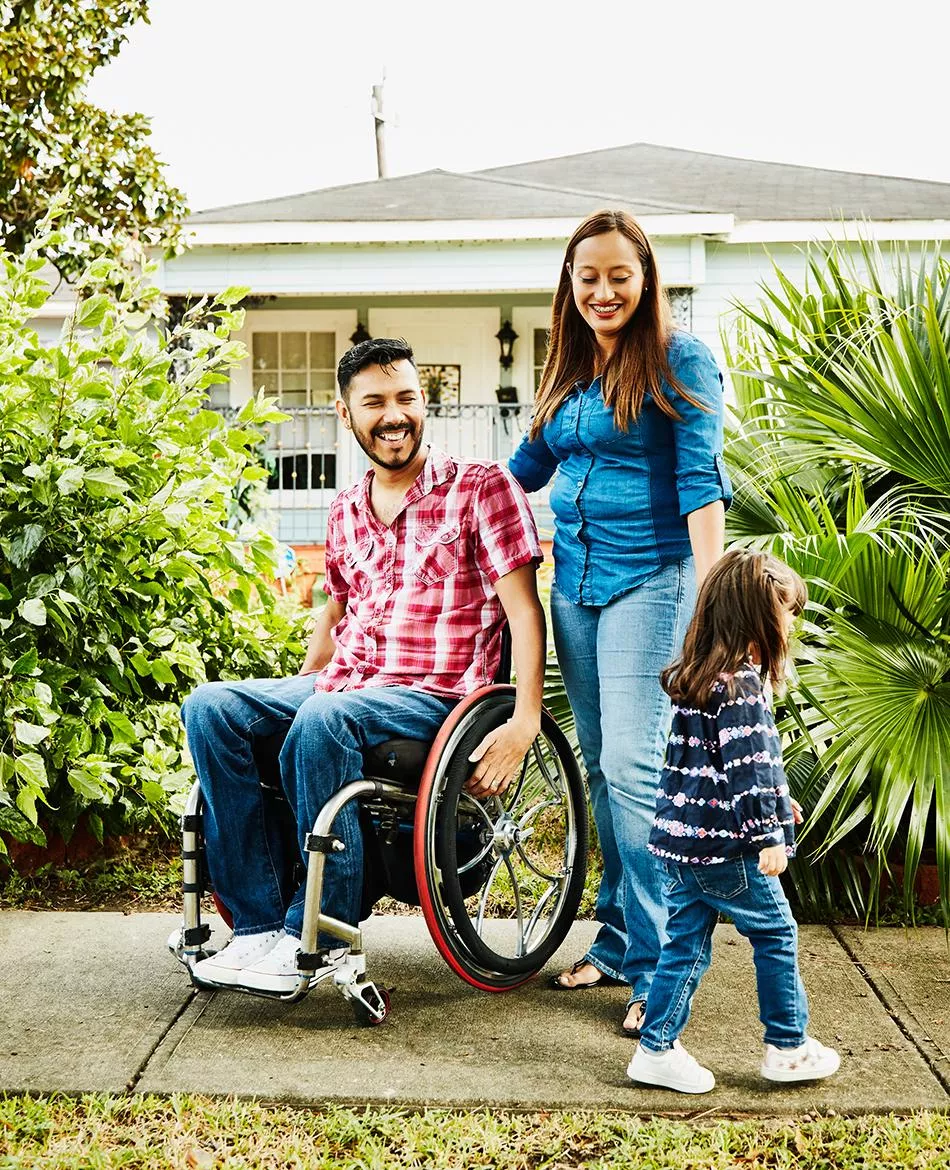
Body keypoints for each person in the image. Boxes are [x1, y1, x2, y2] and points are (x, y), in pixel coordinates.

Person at [181, 337, 545, 993]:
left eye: (406, 397)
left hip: (438, 697)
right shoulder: (346, 507)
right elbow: (336, 612)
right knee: (211, 707)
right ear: (346, 414)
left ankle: (319, 929)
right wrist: (296, 684)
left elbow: (524, 612)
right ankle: (260, 927)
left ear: (423, 402)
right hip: (345, 686)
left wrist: (524, 720)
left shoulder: (483, 489)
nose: (394, 414)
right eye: (374, 401)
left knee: (324, 715)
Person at [509, 209, 732, 1035]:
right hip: (577, 587)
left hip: (655, 580)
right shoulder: (565, 366)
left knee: (637, 770)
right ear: (570, 282)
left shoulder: (680, 358)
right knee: (604, 768)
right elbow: (523, 469)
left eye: (619, 275)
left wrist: (714, 602)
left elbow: (702, 482)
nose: (603, 291)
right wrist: (442, 498)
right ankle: (617, 936)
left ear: (645, 280)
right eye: (587, 276)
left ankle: (664, 963)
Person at [627, 548, 840, 1093]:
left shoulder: (700, 679)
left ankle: (656, 1048)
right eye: (786, 610)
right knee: (777, 933)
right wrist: (767, 832)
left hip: (684, 843)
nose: (792, 622)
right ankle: (788, 1046)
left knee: (685, 942)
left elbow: (708, 769)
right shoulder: (742, 685)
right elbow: (749, 767)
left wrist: (776, 804)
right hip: (729, 849)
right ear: (755, 617)